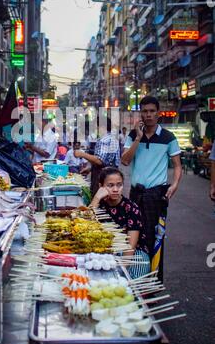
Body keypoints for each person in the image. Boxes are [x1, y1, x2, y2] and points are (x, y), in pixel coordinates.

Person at [121, 96, 182, 281]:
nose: (148, 115)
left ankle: (154, 281)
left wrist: (175, 184)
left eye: (152, 111)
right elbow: (125, 160)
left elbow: (177, 165)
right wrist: (138, 138)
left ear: (158, 113)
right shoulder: (133, 136)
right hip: (136, 193)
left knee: (155, 238)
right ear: (141, 113)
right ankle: (135, 278)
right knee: (132, 236)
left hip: (156, 194)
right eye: (145, 111)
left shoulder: (168, 137)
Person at [90, 167, 150, 279]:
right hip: (108, 253)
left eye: (119, 185)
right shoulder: (98, 205)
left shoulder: (131, 208)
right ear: (101, 186)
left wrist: (121, 271)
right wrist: (97, 198)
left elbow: (130, 247)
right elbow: (85, 224)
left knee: (129, 287)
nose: (115, 189)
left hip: (134, 255)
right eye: (110, 185)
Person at [74, 117, 120, 196]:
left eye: (95, 127)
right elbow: (106, 160)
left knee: (100, 201)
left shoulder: (104, 140)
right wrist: (90, 168)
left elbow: (99, 160)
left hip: (104, 178)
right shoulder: (111, 138)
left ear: (102, 127)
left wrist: (82, 154)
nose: (94, 129)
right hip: (110, 176)